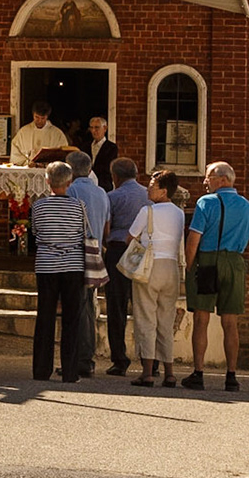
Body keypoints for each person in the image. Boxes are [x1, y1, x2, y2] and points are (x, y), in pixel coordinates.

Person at [182, 161, 249, 392]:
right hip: (235, 263)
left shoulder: (206, 202)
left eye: (209, 177)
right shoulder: (247, 206)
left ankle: (198, 373)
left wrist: (189, 263)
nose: (205, 181)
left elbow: (194, 238)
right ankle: (231, 376)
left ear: (222, 179)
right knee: (230, 321)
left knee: (202, 318)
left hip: (208, 260)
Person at [29, 162, 89, 383]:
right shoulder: (78, 206)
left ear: (47, 182)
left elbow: (35, 231)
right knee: (72, 318)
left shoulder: (38, 206)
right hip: (73, 265)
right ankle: (70, 371)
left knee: (45, 317)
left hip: (46, 265)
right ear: (69, 182)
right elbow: (83, 231)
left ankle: (41, 370)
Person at [128, 170, 185, 387]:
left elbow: (130, 237)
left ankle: (148, 372)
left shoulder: (147, 211)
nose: (148, 189)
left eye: (152, 185)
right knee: (166, 320)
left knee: (145, 318)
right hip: (171, 267)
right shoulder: (179, 213)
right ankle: (169, 371)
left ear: (163, 191)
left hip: (149, 266)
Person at [65, 150, 110, 376]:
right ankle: (86, 357)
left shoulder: (72, 190)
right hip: (95, 253)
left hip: (76, 253)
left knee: (79, 308)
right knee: (89, 307)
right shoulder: (102, 192)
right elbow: (107, 227)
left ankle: (81, 359)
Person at [102, 157, 146, 376]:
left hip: (118, 249)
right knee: (144, 305)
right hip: (142, 250)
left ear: (115, 177)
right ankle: (150, 359)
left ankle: (120, 359)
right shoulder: (149, 195)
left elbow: (106, 229)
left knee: (116, 305)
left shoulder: (112, 196)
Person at [12, 101, 70, 166]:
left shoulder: (57, 134)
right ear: (33, 114)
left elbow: (63, 154)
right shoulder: (23, 132)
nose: (39, 121)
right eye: (37, 117)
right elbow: (15, 153)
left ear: (47, 117)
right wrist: (27, 163)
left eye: (42, 118)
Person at [85, 117, 119, 189]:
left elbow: (107, 168)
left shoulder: (111, 147)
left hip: (104, 185)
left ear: (105, 128)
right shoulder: (86, 146)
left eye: (97, 128)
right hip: (88, 185)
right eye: (92, 128)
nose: (94, 131)